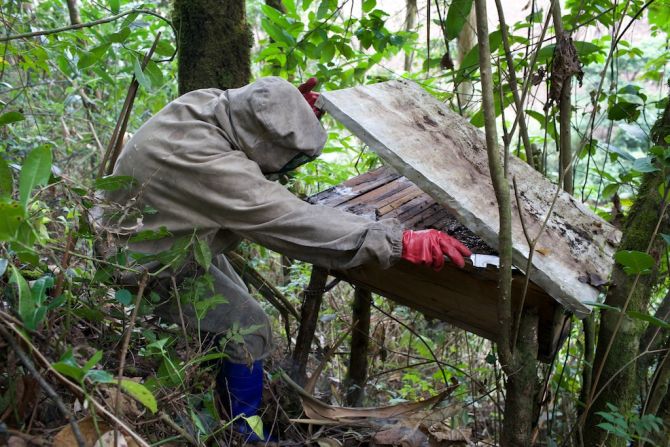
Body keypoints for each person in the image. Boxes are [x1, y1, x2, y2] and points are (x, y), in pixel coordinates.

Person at [99, 76, 471, 442]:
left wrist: (286, 107)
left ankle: (216, 400)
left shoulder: (208, 104)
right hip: (144, 267)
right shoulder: (209, 166)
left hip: (159, 238)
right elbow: (293, 221)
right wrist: (398, 241)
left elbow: (254, 111)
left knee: (235, 315)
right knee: (250, 328)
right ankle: (242, 435)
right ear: (262, 140)